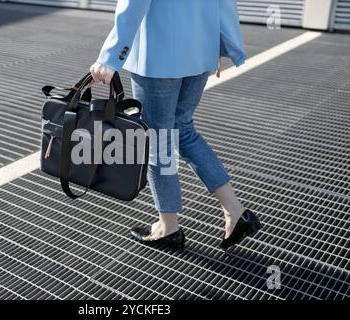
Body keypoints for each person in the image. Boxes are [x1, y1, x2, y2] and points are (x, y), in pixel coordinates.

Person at [90, 0, 262, 249]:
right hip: (200, 51)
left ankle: (168, 227)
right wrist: (220, 46)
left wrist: (110, 57)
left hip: (158, 55)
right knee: (182, 130)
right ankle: (235, 212)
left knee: (159, 141)